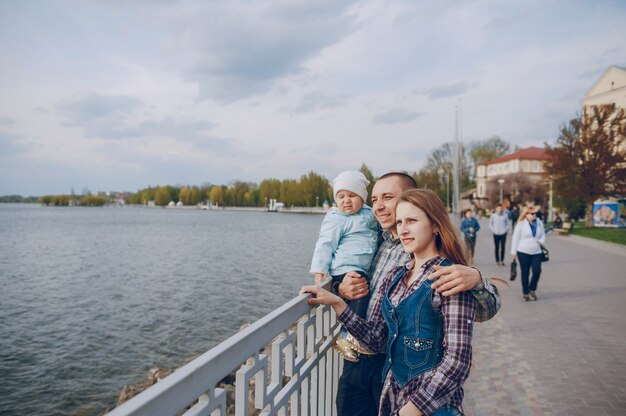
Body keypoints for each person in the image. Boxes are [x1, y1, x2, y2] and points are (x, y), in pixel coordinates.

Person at [323, 172, 500, 416]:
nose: (378, 207)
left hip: (399, 374)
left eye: (387, 197)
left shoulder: (441, 271)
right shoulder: (375, 240)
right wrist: (336, 291)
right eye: (374, 199)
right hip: (361, 361)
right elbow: (343, 266)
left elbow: (461, 352)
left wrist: (477, 278)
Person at [310, 170, 379, 361]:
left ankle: (353, 336)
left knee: (361, 300)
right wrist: (320, 269)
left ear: (363, 198)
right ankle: (345, 336)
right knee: (360, 299)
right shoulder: (336, 218)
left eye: (352, 195)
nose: (346, 201)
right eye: (341, 196)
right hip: (345, 268)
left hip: (361, 268)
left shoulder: (369, 214)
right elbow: (325, 243)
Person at [511, 206, 546, 301]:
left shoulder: (539, 223)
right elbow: (515, 238)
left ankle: (532, 289)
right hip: (523, 251)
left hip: (537, 251)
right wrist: (513, 252)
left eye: (536, 213)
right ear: (526, 215)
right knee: (525, 272)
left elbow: (543, 234)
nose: (535, 215)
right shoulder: (521, 224)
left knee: (537, 271)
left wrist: (541, 241)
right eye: (532, 213)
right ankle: (525, 292)